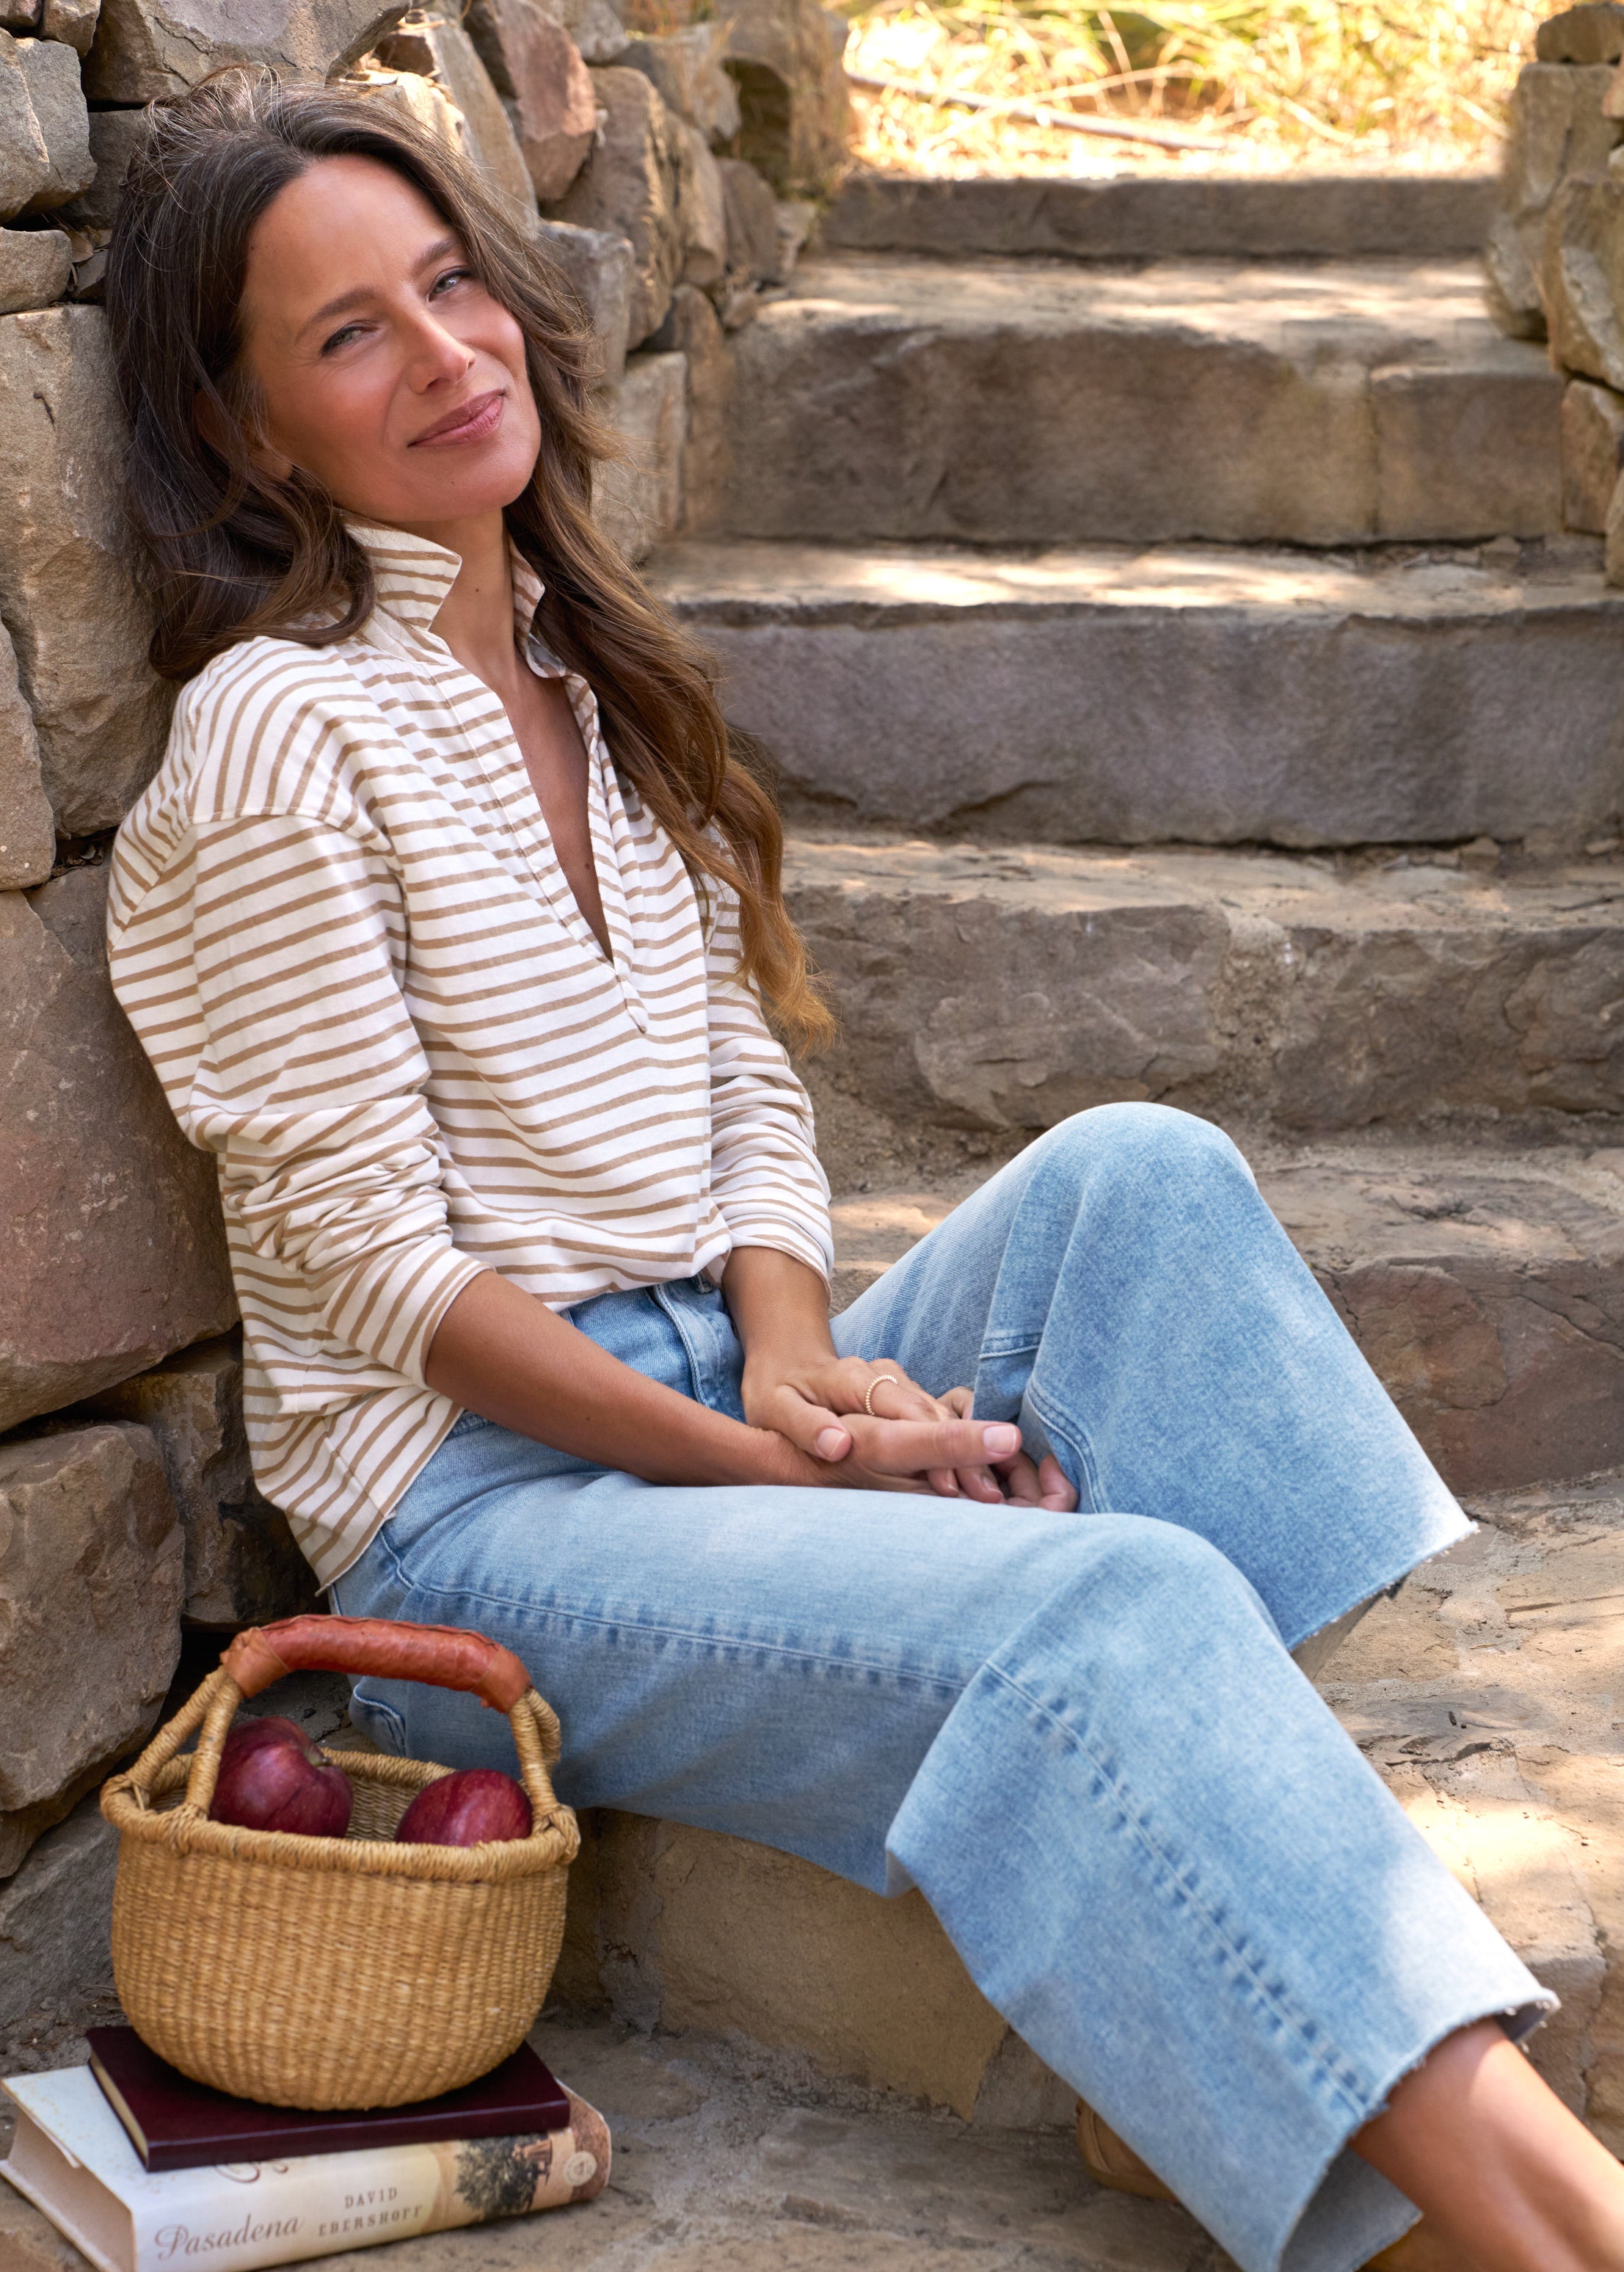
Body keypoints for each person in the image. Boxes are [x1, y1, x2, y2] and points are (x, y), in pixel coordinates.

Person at [102, 69, 1624, 2272]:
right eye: (349, 334)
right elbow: (375, 1283)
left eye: (452, 283)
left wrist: (800, 1362)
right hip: (481, 1523)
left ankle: (1233, 1962)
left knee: (1140, 1179)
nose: (447, 353)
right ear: (250, 431)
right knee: (1108, 1602)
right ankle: (1553, 2223)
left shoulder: (570, 672)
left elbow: (735, 1076)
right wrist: (769, 1469)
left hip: (707, 1387)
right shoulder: (277, 735)